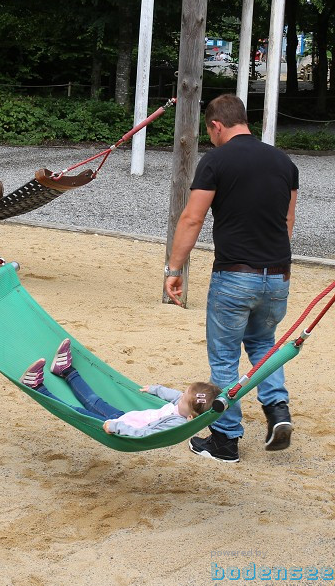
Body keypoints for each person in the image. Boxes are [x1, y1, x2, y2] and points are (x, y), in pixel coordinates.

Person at [164, 93, 299, 463]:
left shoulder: (216, 161)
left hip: (234, 274)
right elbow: (287, 222)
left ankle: (225, 440)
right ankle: (278, 412)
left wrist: (174, 270)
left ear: (217, 125)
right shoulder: (284, 162)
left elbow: (192, 218)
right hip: (278, 275)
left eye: (210, 133)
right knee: (263, 345)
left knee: (224, 357)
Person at [20, 339, 221, 438]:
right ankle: (66, 370)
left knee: (78, 411)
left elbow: (144, 436)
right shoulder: (184, 406)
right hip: (124, 415)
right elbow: (176, 396)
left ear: (191, 418)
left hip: (118, 426)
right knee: (93, 399)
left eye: (185, 397)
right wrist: (156, 389)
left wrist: (116, 427)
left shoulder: (177, 424)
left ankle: (37, 387)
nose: (181, 396)